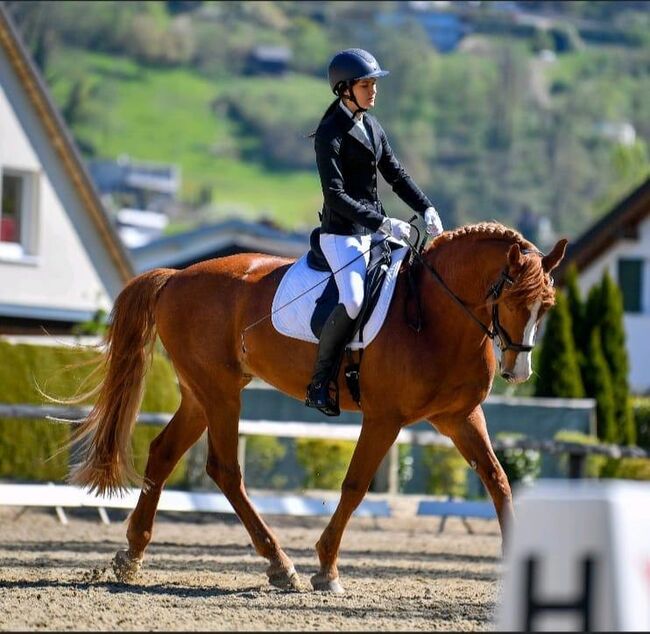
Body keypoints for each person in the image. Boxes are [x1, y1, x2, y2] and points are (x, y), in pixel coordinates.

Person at [305, 47, 444, 416]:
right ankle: (320, 381)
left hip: (373, 229)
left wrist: (425, 206)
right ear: (345, 89)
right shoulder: (329, 133)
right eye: (366, 84)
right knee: (352, 299)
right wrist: (382, 222)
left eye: (374, 83)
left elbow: (395, 174)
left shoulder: (371, 126)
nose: (373, 90)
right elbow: (335, 195)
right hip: (342, 235)